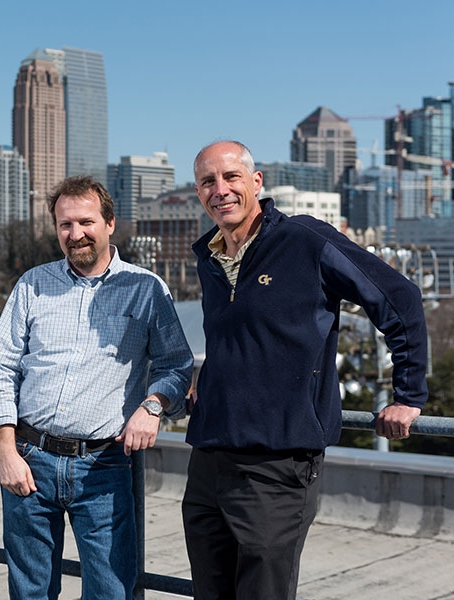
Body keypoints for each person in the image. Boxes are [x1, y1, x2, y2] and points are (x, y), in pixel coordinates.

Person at [183, 140, 428, 600]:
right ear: (198, 192)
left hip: (277, 465)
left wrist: (409, 395)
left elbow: (401, 299)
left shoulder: (304, 240)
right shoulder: (209, 256)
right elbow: (238, 338)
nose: (221, 189)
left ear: (256, 182)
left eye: (231, 177)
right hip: (209, 461)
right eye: (207, 181)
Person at [0, 175, 194, 600]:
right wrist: (5, 450)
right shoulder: (32, 284)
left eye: (85, 222)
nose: (75, 234)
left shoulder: (147, 289)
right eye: (65, 225)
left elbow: (177, 366)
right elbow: (0, 367)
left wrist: (153, 406)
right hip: (29, 459)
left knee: (110, 592)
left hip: (104, 467)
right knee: (30, 592)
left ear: (110, 223)